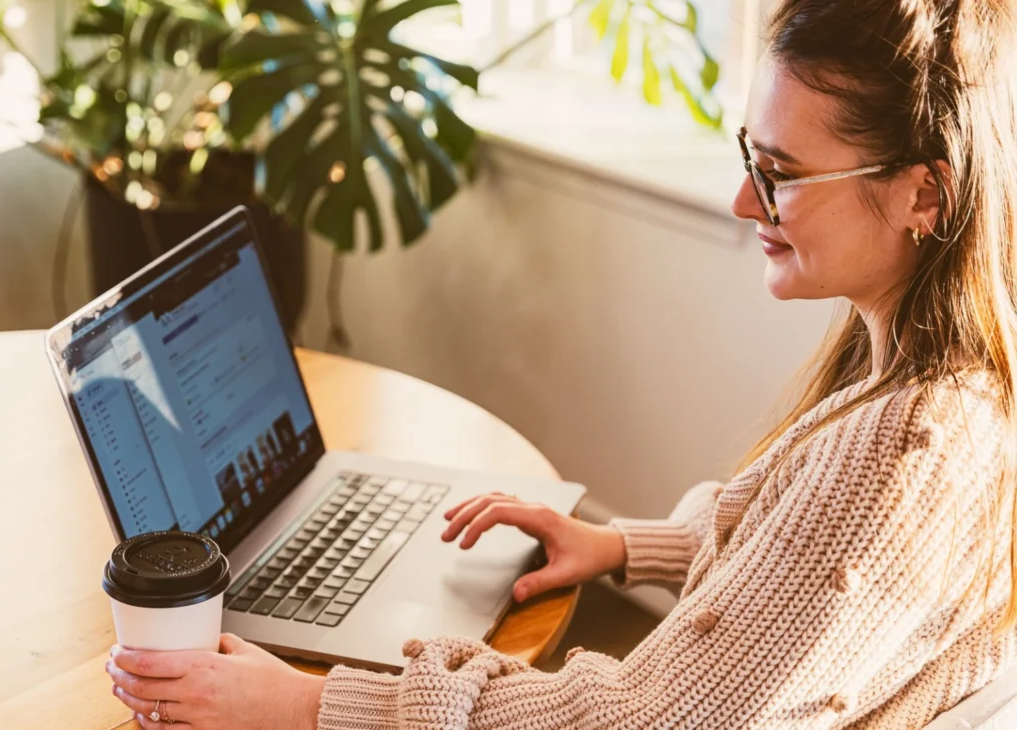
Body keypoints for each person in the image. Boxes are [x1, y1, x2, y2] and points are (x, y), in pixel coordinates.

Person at [105, 0, 1017, 726]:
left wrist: (312, 707)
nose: (745, 201)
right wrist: (623, 545)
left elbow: (637, 721)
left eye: (780, 173)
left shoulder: (911, 452)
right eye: (750, 155)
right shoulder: (931, 386)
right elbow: (805, 548)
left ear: (924, 194)